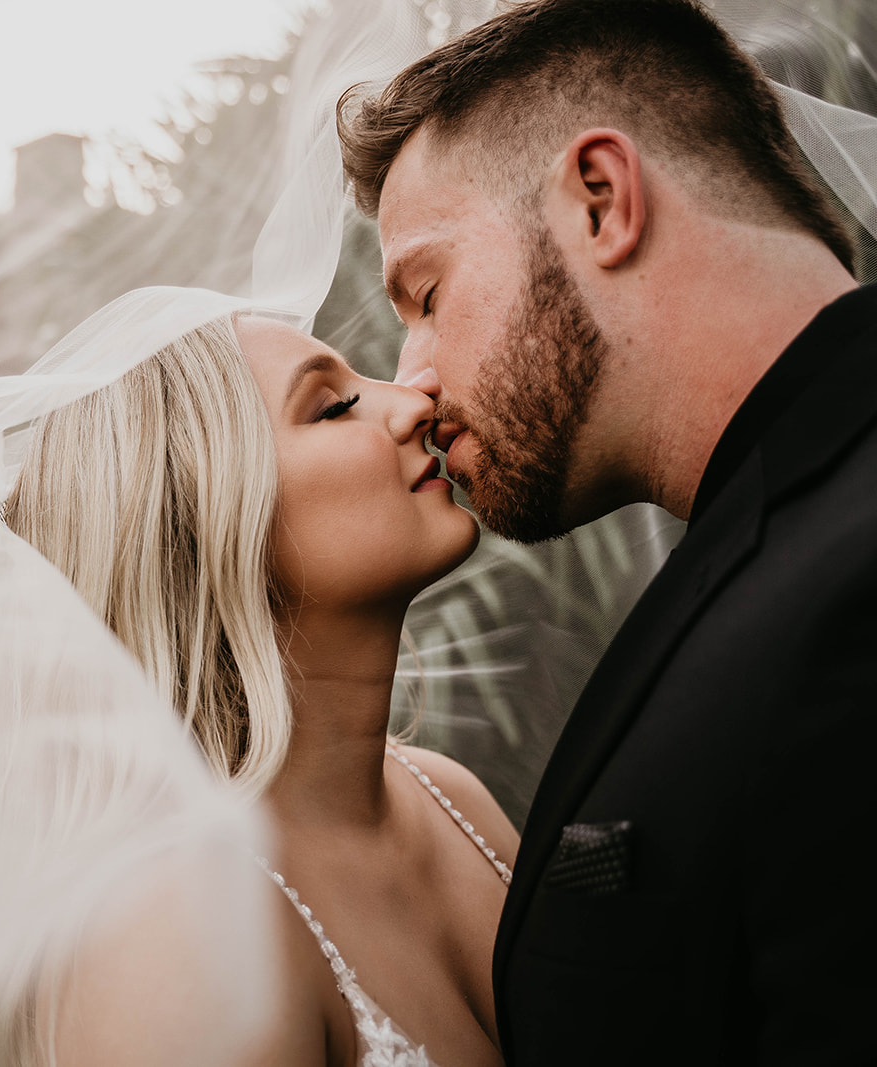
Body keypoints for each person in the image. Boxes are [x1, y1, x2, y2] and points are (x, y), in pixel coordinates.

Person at [337, 0, 876, 1061]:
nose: (413, 381)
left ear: (600, 200)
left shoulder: (849, 573)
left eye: (428, 293)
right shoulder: (770, 529)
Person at [0, 312, 518, 1065]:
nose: (414, 404)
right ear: (202, 524)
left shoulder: (450, 795)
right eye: (334, 407)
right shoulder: (178, 938)